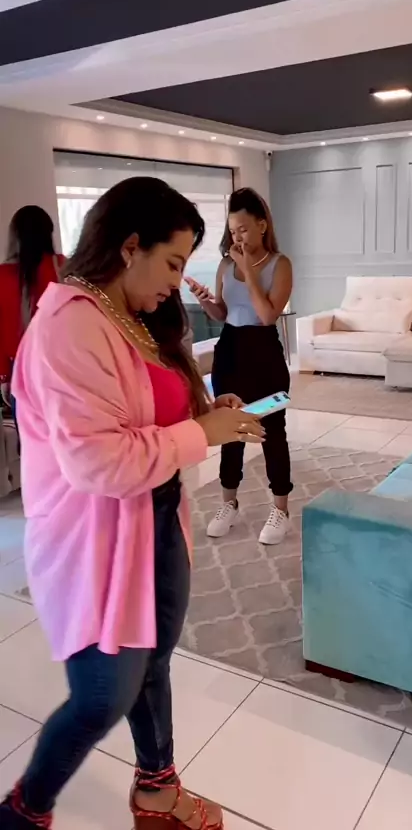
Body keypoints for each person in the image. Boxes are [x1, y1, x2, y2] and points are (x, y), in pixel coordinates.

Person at [0, 177, 264, 830]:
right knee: (102, 695)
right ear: (129, 246)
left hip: (157, 517)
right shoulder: (69, 324)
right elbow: (100, 463)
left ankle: (156, 789)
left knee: (155, 661)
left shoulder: (134, 315)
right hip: (96, 538)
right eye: (172, 263)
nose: (176, 282)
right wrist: (202, 435)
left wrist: (207, 409)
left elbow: (155, 404)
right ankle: (24, 809)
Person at [186, 187, 293, 545]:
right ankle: (228, 503)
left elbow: (267, 315)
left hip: (264, 351)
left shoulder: (280, 264)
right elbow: (222, 314)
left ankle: (281, 509)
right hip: (230, 348)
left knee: (272, 429)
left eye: (244, 229)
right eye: (233, 231)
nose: (237, 237)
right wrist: (206, 301)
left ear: (262, 225)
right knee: (230, 426)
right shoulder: (224, 265)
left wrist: (248, 269)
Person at [0, 206, 64, 421]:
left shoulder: (2, 276)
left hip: (21, 369)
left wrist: (3, 377)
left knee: (30, 437)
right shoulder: (64, 267)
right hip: (62, 365)